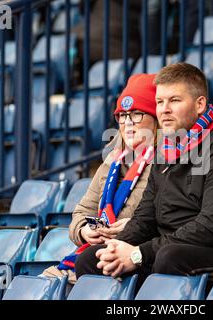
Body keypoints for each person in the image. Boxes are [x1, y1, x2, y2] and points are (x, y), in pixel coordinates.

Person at [75, 62, 213, 288]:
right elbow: (145, 218)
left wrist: (138, 254)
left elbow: (210, 228)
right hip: (178, 247)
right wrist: (118, 248)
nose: (164, 109)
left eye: (174, 100)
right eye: (159, 102)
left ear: (200, 104)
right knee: (92, 259)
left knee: (169, 258)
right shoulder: (166, 149)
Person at [43, 73, 158, 283]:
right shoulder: (112, 160)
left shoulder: (166, 162)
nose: (128, 123)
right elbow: (82, 211)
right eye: (122, 115)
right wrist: (84, 230)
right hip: (97, 253)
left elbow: (169, 219)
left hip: (132, 255)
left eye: (137, 114)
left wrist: (132, 227)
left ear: (156, 119)